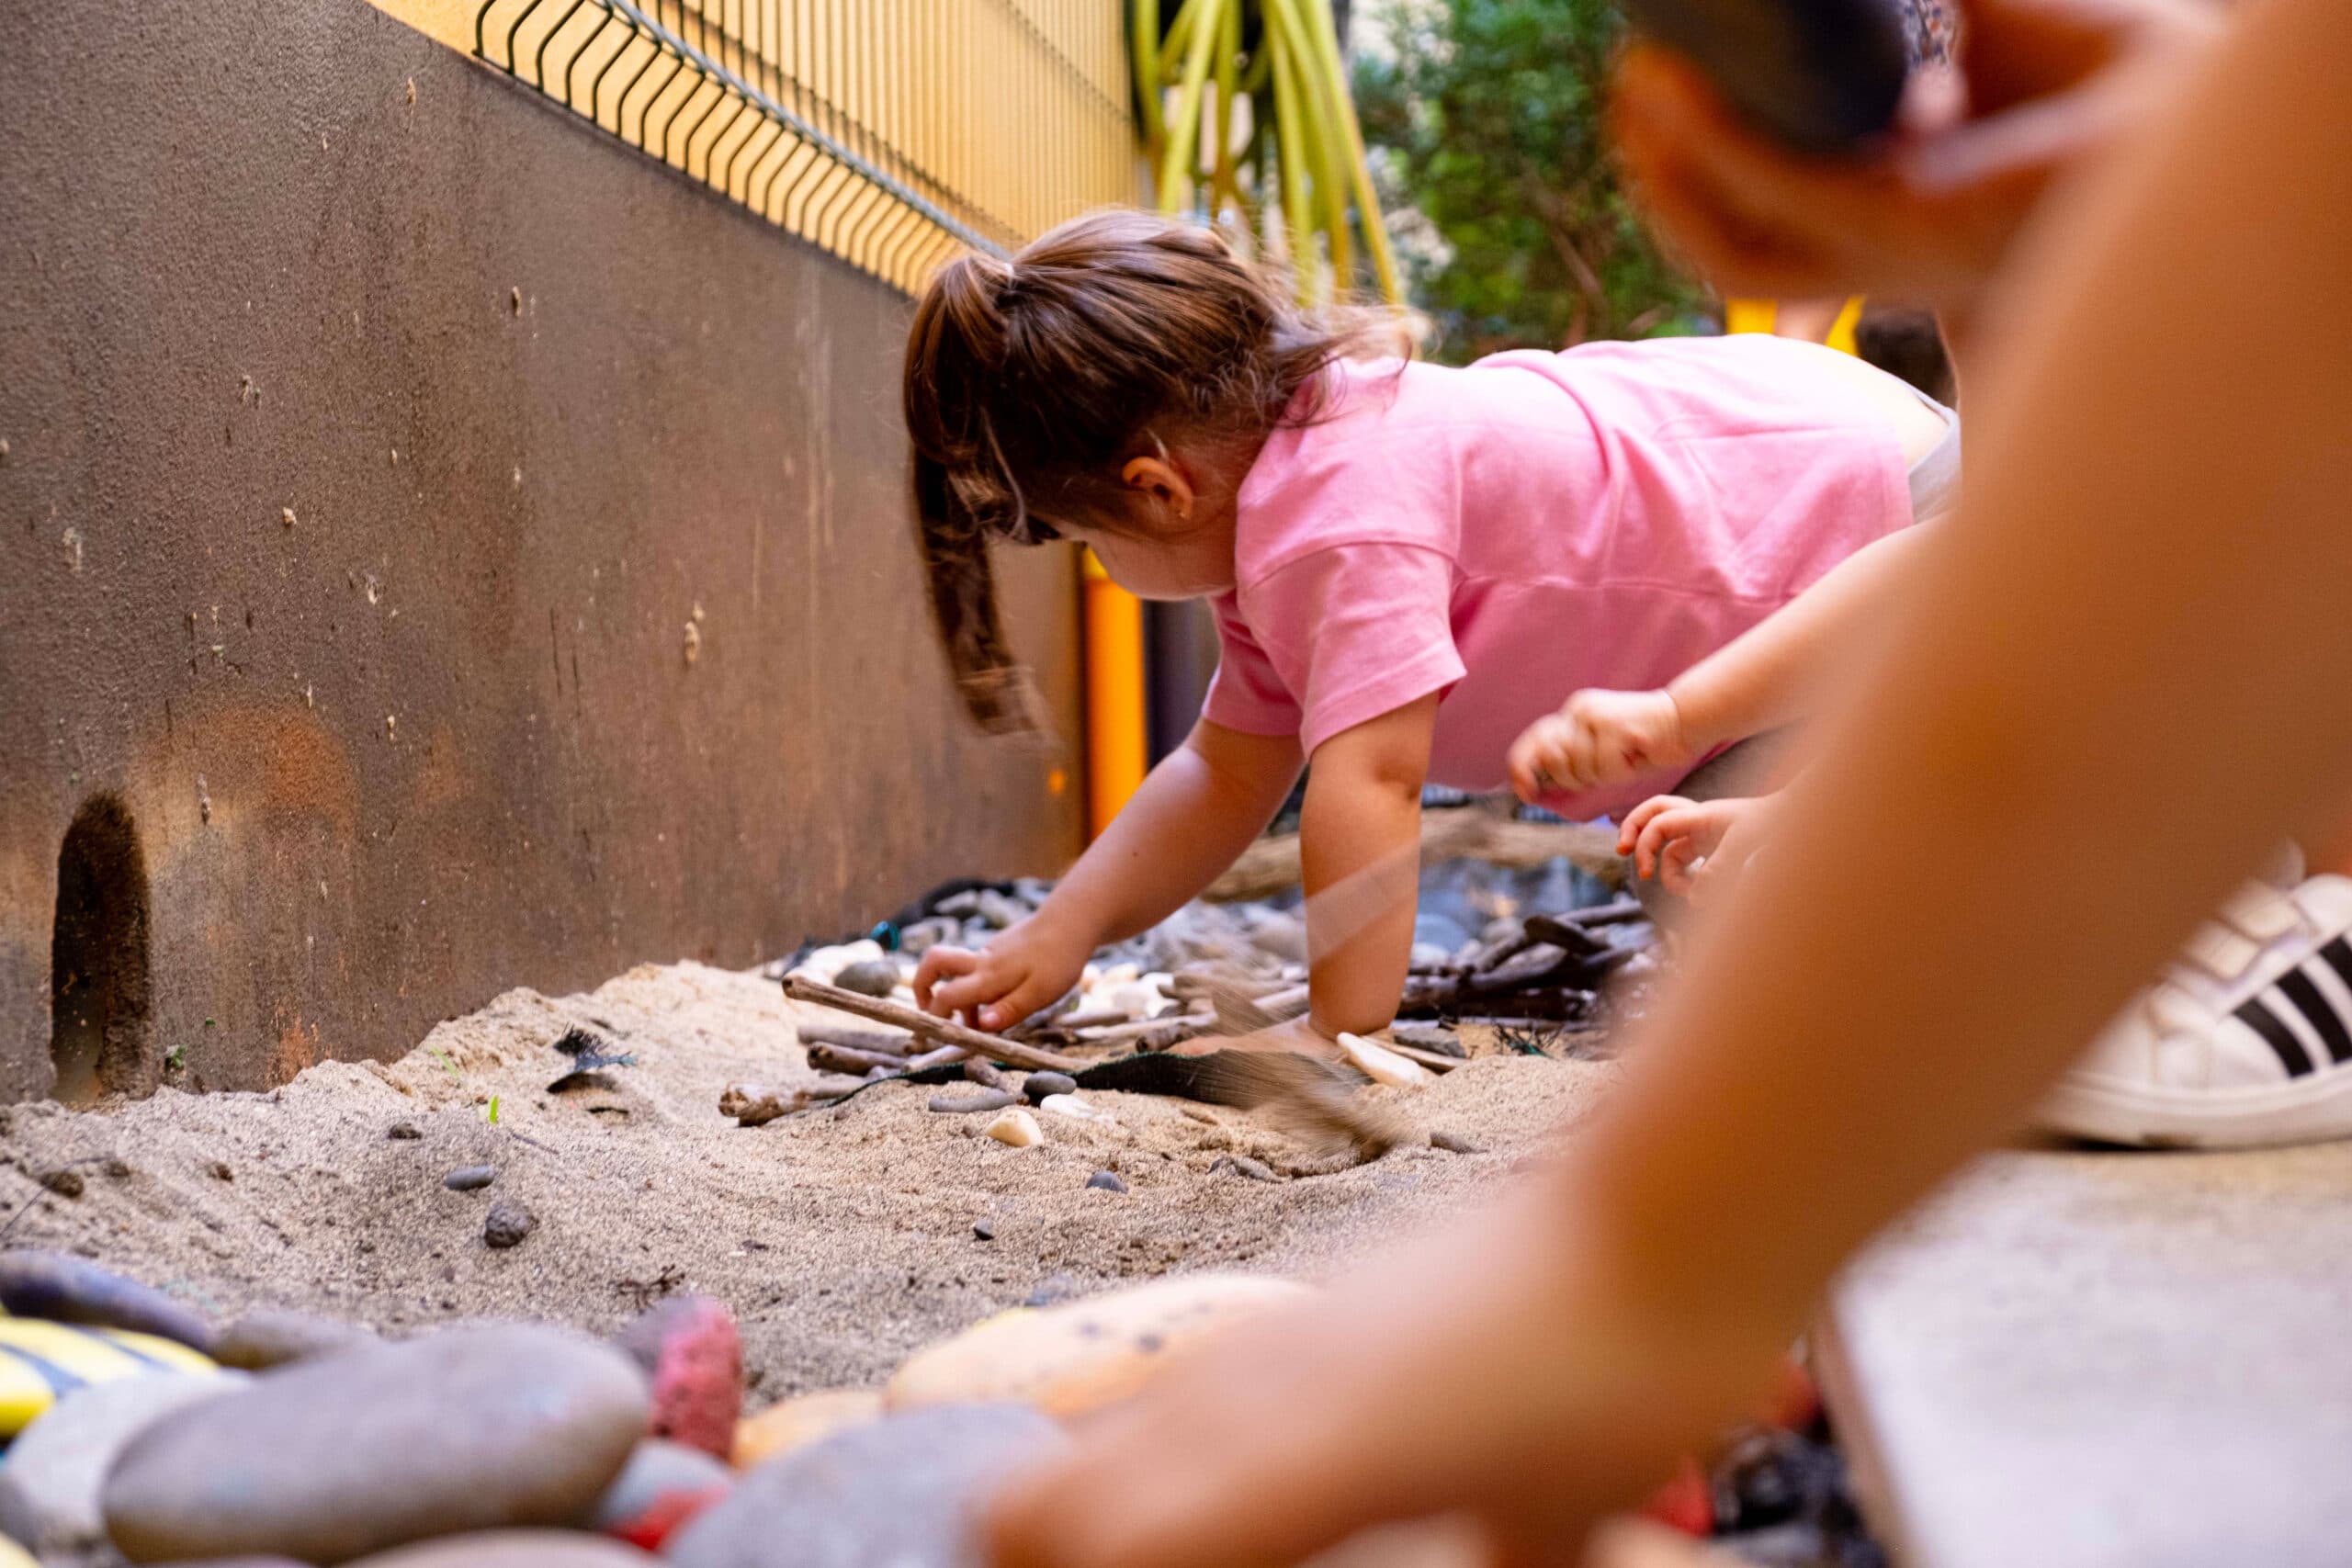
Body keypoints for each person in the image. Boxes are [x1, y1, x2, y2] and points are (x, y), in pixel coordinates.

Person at [985, 0, 2350, 1562]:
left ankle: (2318, 902)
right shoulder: (2139, 174)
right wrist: (1647, 1257)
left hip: (1817, 520)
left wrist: (1380, 1055)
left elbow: (1367, 774)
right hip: (1842, 556)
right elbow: (2037, 546)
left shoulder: (1341, 502)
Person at [901, 209, 1951, 1043]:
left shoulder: (1337, 521)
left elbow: (1374, 781)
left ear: (1159, 489)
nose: (1099, 563)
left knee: (1752, 901)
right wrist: (1060, 930)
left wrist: (1340, 1026)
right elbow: (1222, 775)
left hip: (1874, 526)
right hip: (1817, 471)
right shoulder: (1299, 486)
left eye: (1085, 536)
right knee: (1702, 872)